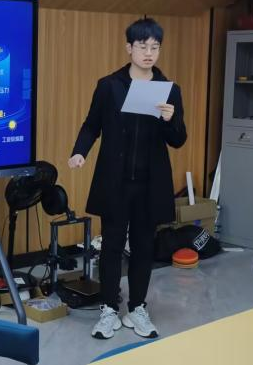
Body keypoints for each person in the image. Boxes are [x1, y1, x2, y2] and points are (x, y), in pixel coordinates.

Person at [68, 18, 186, 339]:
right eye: (143, 46)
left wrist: (170, 119)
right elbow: (92, 125)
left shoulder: (169, 90)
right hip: (115, 181)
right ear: (129, 48)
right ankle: (109, 308)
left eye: (155, 47)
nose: (149, 53)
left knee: (144, 247)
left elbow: (178, 140)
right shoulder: (110, 86)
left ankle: (137, 308)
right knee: (112, 245)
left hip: (151, 183)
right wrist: (79, 151)